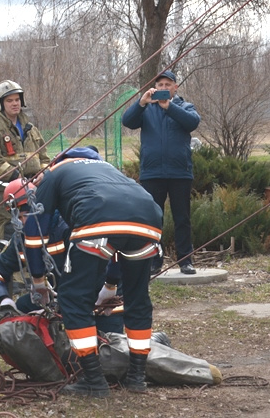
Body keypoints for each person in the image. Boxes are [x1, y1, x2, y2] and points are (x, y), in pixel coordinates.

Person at [24, 146, 163, 396]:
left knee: (74, 299)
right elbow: (121, 234)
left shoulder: (55, 172)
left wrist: (38, 279)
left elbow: (34, 233)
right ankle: (137, 378)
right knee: (137, 298)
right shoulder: (109, 169)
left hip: (96, 220)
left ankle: (93, 379)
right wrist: (111, 285)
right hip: (149, 220)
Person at [0, 178, 125, 335]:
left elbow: (85, 274)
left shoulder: (66, 228)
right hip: (61, 298)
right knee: (23, 307)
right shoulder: (21, 239)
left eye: (23, 215)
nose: (21, 223)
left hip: (100, 296)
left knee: (108, 347)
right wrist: (4, 300)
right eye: (16, 217)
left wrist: (58, 308)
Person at [121, 69, 201, 275]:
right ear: (155, 87)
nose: (164, 88)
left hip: (179, 173)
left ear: (176, 87)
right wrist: (141, 102)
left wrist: (169, 107)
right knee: (153, 219)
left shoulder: (184, 107)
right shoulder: (146, 109)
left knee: (182, 218)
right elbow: (127, 121)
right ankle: (154, 261)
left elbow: (193, 122)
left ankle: (185, 261)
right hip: (152, 173)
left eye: (168, 85)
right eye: (160, 85)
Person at [0, 80, 50, 238]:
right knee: (10, 232)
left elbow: (44, 157)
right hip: (6, 192)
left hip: (34, 189)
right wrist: (18, 178)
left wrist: (43, 173)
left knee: (35, 231)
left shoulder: (31, 127)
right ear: (0, 104)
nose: (14, 104)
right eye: (9, 100)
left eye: (17, 100)